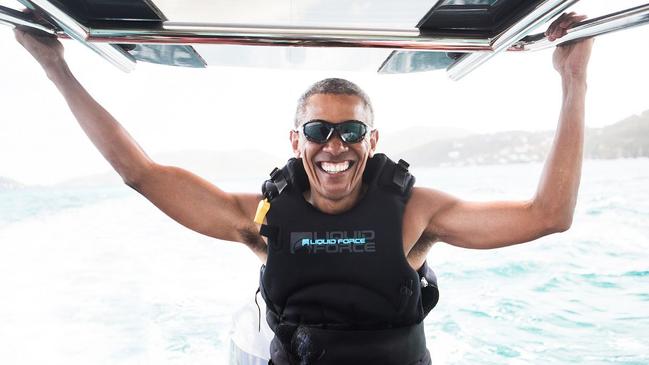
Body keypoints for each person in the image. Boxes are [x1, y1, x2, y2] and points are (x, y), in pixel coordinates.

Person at [13, 11, 592, 365]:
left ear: (372, 139)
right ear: (297, 140)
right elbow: (139, 173)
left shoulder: (417, 211)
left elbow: (548, 215)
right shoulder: (262, 215)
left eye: (351, 131)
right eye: (318, 130)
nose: (334, 146)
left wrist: (573, 78)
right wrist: (55, 67)